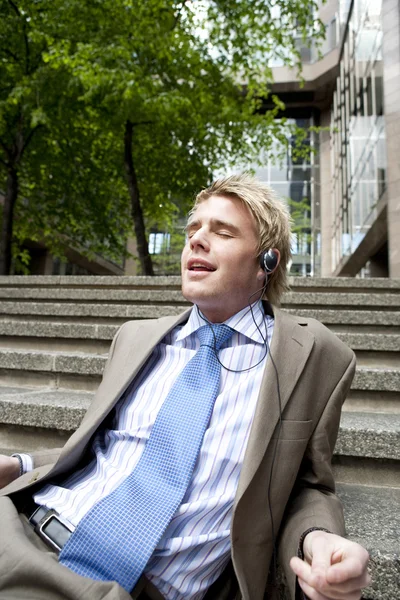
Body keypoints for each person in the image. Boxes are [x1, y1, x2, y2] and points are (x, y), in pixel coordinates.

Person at [0, 174, 370, 600]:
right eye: (193, 230)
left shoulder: (316, 354)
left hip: (135, 587)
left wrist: (319, 538)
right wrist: (22, 464)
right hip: (23, 532)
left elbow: (307, 483)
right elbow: (113, 448)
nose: (196, 240)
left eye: (222, 232)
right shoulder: (136, 337)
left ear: (268, 260)